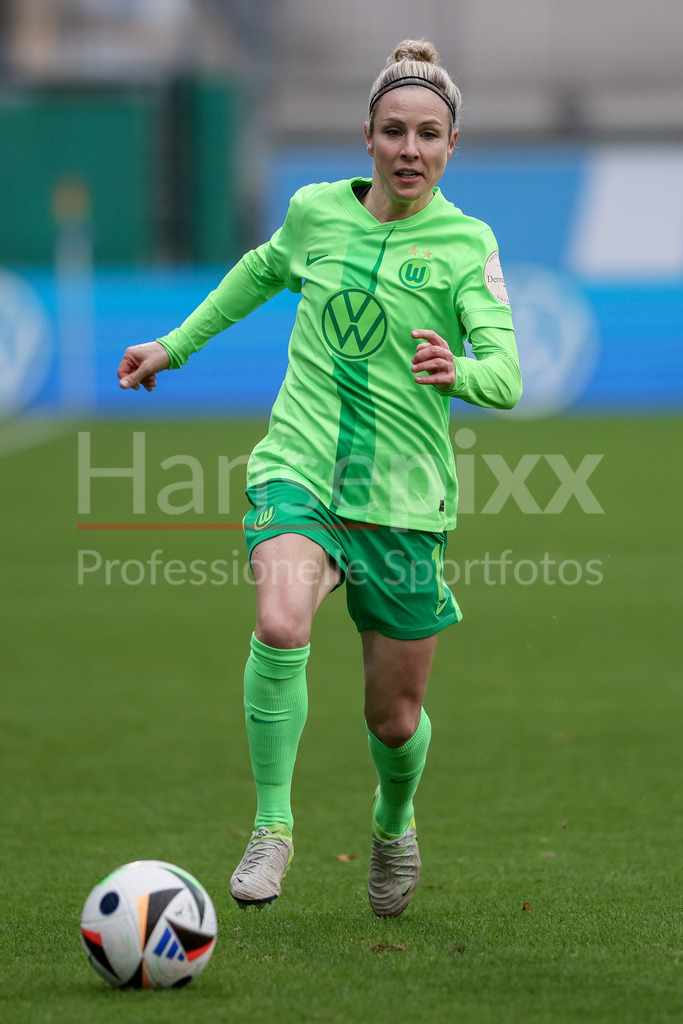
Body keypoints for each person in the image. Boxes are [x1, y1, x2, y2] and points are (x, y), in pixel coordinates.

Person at [117, 39, 522, 918]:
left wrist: (462, 369)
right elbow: (261, 271)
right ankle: (272, 827)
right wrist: (172, 346)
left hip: (406, 504)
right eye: (392, 132)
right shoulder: (313, 214)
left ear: (452, 146)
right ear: (366, 137)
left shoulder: (466, 243)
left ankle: (393, 819)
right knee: (279, 618)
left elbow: (508, 375)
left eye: (427, 135)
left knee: (395, 721)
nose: (408, 149)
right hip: (300, 470)